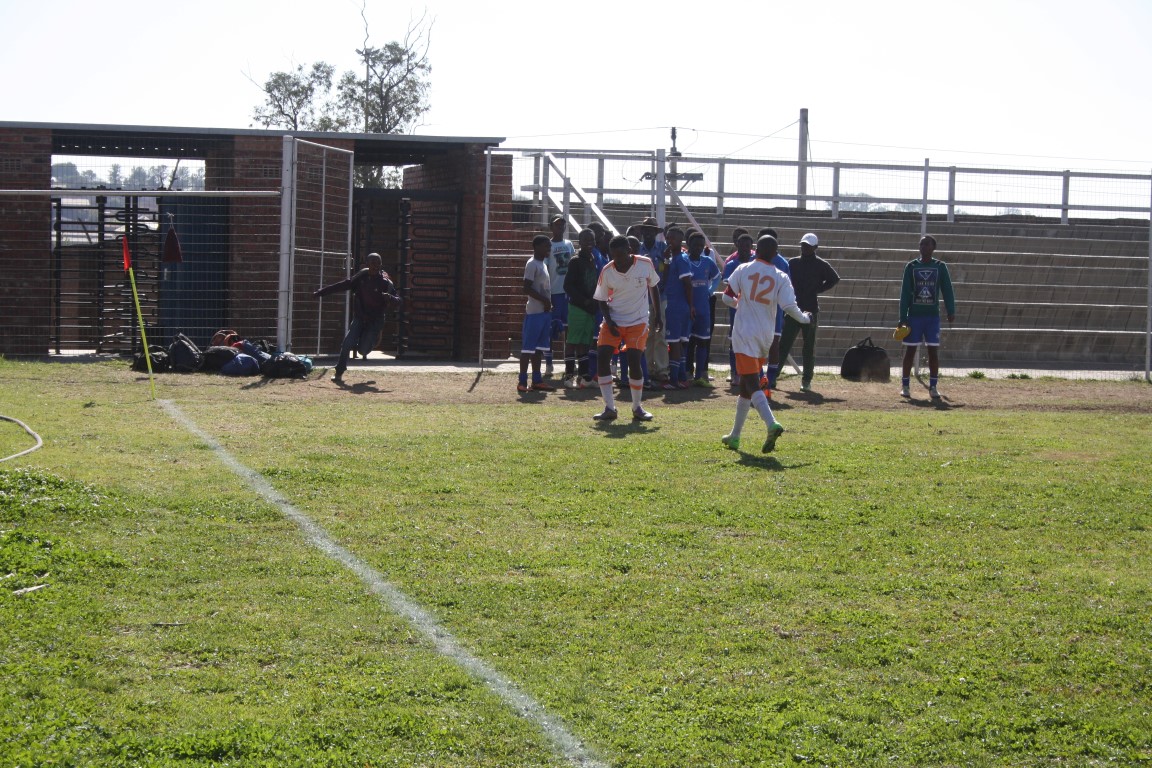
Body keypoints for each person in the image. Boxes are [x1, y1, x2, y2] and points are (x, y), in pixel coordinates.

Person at [721, 235, 812, 453]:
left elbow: (726, 297)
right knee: (746, 387)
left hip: (744, 333)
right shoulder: (781, 275)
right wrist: (805, 318)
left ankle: (771, 424)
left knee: (751, 383)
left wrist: (739, 304)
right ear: (775, 253)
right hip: (766, 336)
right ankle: (734, 436)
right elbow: (789, 306)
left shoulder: (743, 269)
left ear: (756, 250)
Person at [592, 235, 662, 421]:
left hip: (638, 321)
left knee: (634, 360)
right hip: (614, 320)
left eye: (621, 255)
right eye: (614, 256)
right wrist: (609, 321)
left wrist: (658, 315)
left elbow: (654, 287)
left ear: (629, 251)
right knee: (602, 358)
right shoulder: (607, 271)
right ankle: (609, 408)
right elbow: (601, 299)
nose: (618, 260)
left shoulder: (645, 264)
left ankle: (637, 407)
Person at [313, 251, 401, 383]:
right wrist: (321, 292)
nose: (375, 266)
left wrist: (390, 297)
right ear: (367, 264)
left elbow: (399, 300)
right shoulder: (361, 277)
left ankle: (370, 338)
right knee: (347, 343)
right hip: (360, 317)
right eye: (373, 263)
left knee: (363, 351)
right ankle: (339, 371)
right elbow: (343, 285)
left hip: (375, 320)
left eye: (378, 263)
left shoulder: (385, 283)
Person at [776, 232, 840, 393]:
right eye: (803, 245)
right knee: (784, 344)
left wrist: (818, 289)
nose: (805, 248)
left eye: (808, 246)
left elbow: (834, 278)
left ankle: (806, 380)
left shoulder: (821, 264)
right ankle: (773, 375)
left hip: (811, 310)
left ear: (815, 247)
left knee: (809, 347)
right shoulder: (793, 263)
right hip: (793, 309)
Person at [899, 235, 956, 400]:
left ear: (933, 248)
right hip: (914, 317)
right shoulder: (911, 266)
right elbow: (905, 293)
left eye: (926, 244)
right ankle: (905, 386)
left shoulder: (940, 267)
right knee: (910, 351)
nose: (923, 247)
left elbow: (947, 289)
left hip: (932, 318)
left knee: (933, 352)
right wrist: (903, 316)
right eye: (921, 244)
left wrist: (951, 310)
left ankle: (933, 387)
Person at [518, 235, 557, 393]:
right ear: (536, 247)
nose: (549, 249)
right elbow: (526, 288)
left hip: (544, 312)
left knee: (539, 348)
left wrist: (548, 303)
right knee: (528, 349)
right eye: (546, 246)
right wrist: (544, 300)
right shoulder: (532, 264)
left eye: (550, 246)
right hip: (534, 312)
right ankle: (522, 381)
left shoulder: (543, 264)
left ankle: (537, 380)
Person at [563, 229, 602, 388]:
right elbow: (568, 286)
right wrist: (583, 301)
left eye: (592, 240)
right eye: (586, 240)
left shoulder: (593, 259)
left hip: (590, 308)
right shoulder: (575, 261)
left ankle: (584, 376)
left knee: (585, 342)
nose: (589, 243)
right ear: (579, 242)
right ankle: (568, 376)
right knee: (573, 340)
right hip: (578, 307)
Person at [757, 227, 792, 391]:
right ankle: (759, 377)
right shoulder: (753, 260)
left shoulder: (782, 263)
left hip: (774, 311)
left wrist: (784, 312)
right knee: (756, 344)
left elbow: (787, 289)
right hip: (756, 310)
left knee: (773, 344)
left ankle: (770, 379)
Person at [545, 215, 575, 380]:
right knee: (551, 329)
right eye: (557, 225)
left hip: (568, 292)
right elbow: (545, 270)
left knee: (569, 328)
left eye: (563, 225)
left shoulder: (569, 244)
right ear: (551, 227)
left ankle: (569, 361)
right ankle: (549, 363)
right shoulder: (548, 246)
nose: (560, 227)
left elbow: (574, 265)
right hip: (554, 292)